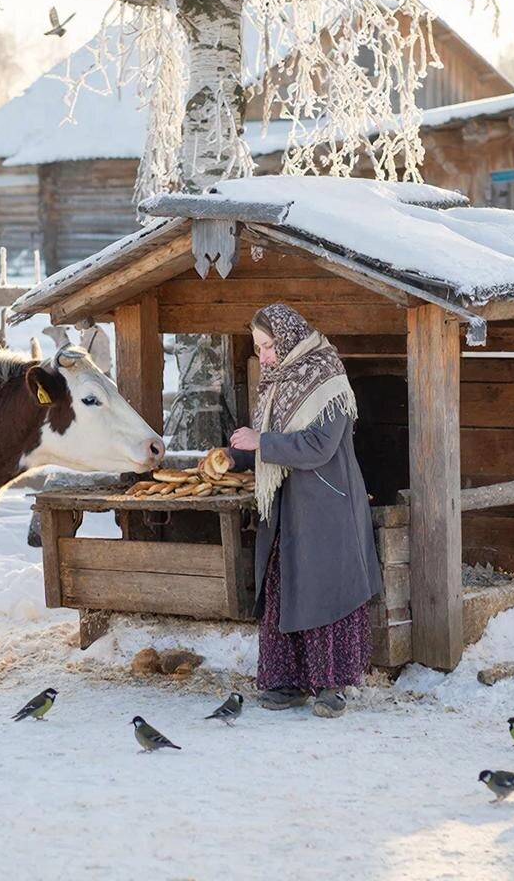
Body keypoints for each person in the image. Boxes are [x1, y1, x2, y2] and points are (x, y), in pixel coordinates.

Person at [204, 302, 381, 718]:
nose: (263, 356)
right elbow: (267, 444)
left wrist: (260, 442)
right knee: (285, 587)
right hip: (285, 505)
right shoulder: (277, 382)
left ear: (287, 339)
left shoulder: (327, 379)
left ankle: (331, 686)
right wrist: (235, 457)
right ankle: (288, 682)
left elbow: (319, 446)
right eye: (258, 347)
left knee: (324, 590)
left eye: (268, 346)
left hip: (326, 506)